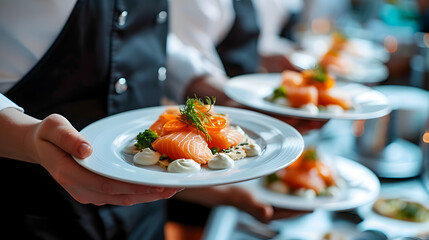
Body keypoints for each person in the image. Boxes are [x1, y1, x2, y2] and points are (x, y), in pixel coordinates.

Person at [0, 1, 312, 239]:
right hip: (30, 206)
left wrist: (199, 81)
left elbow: (139, 25)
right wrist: (28, 137)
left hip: (146, 212)